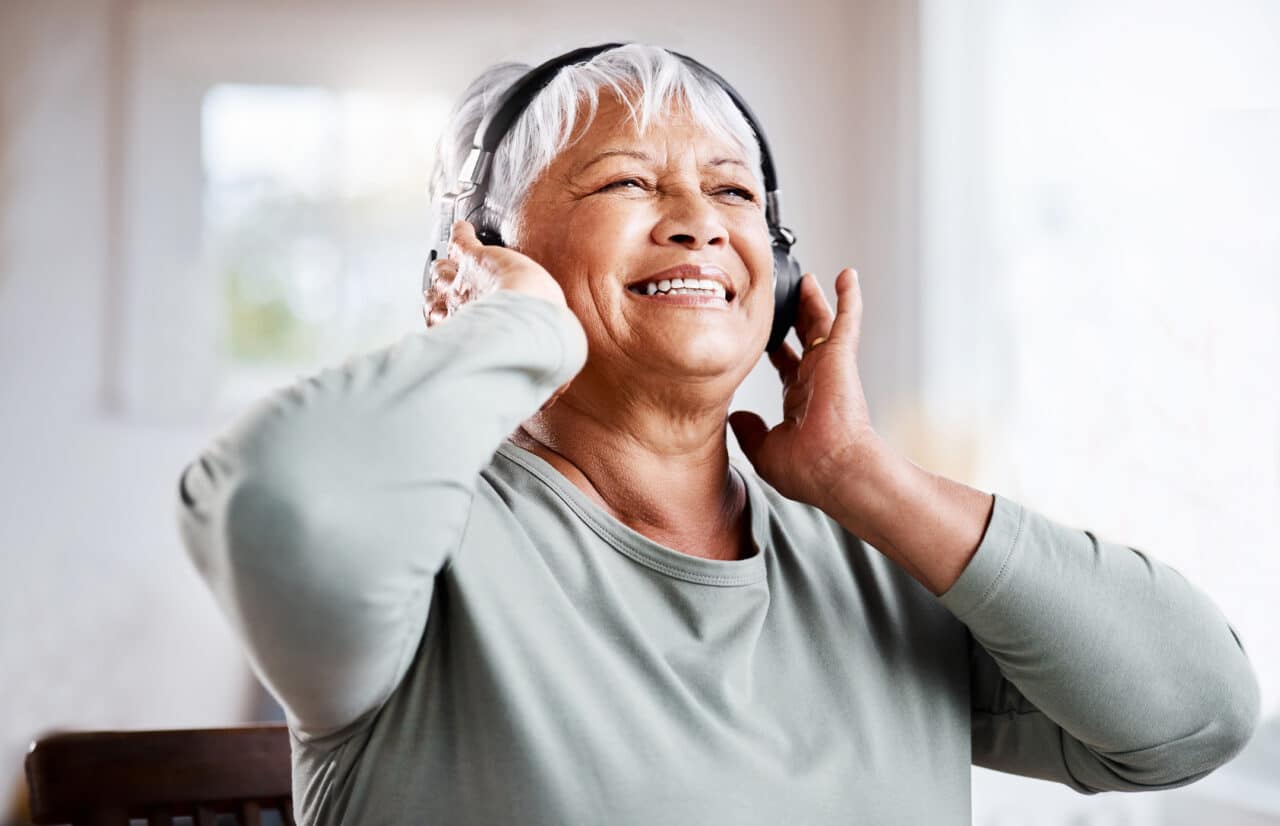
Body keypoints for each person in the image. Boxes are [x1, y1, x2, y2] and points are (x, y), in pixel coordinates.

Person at [177, 44, 1260, 825]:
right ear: (479, 262)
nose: (696, 217)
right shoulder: (431, 544)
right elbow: (283, 507)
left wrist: (858, 475)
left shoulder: (868, 559)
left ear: (778, 273)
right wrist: (506, 329)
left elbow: (1192, 716)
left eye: (731, 189)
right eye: (624, 182)